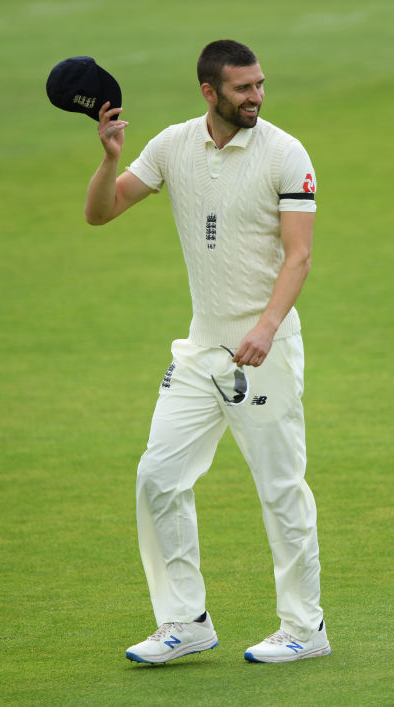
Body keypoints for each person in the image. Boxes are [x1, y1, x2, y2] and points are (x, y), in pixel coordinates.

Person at [83, 39, 328, 664]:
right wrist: (110, 158)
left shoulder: (285, 153)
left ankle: (305, 628)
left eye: (261, 85)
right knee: (157, 477)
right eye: (244, 88)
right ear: (209, 92)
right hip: (200, 351)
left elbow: (298, 256)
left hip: (264, 348)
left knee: (280, 489)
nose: (257, 97)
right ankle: (185, 622)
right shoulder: (171, 145)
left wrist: (269, 326)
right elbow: (101, 212)